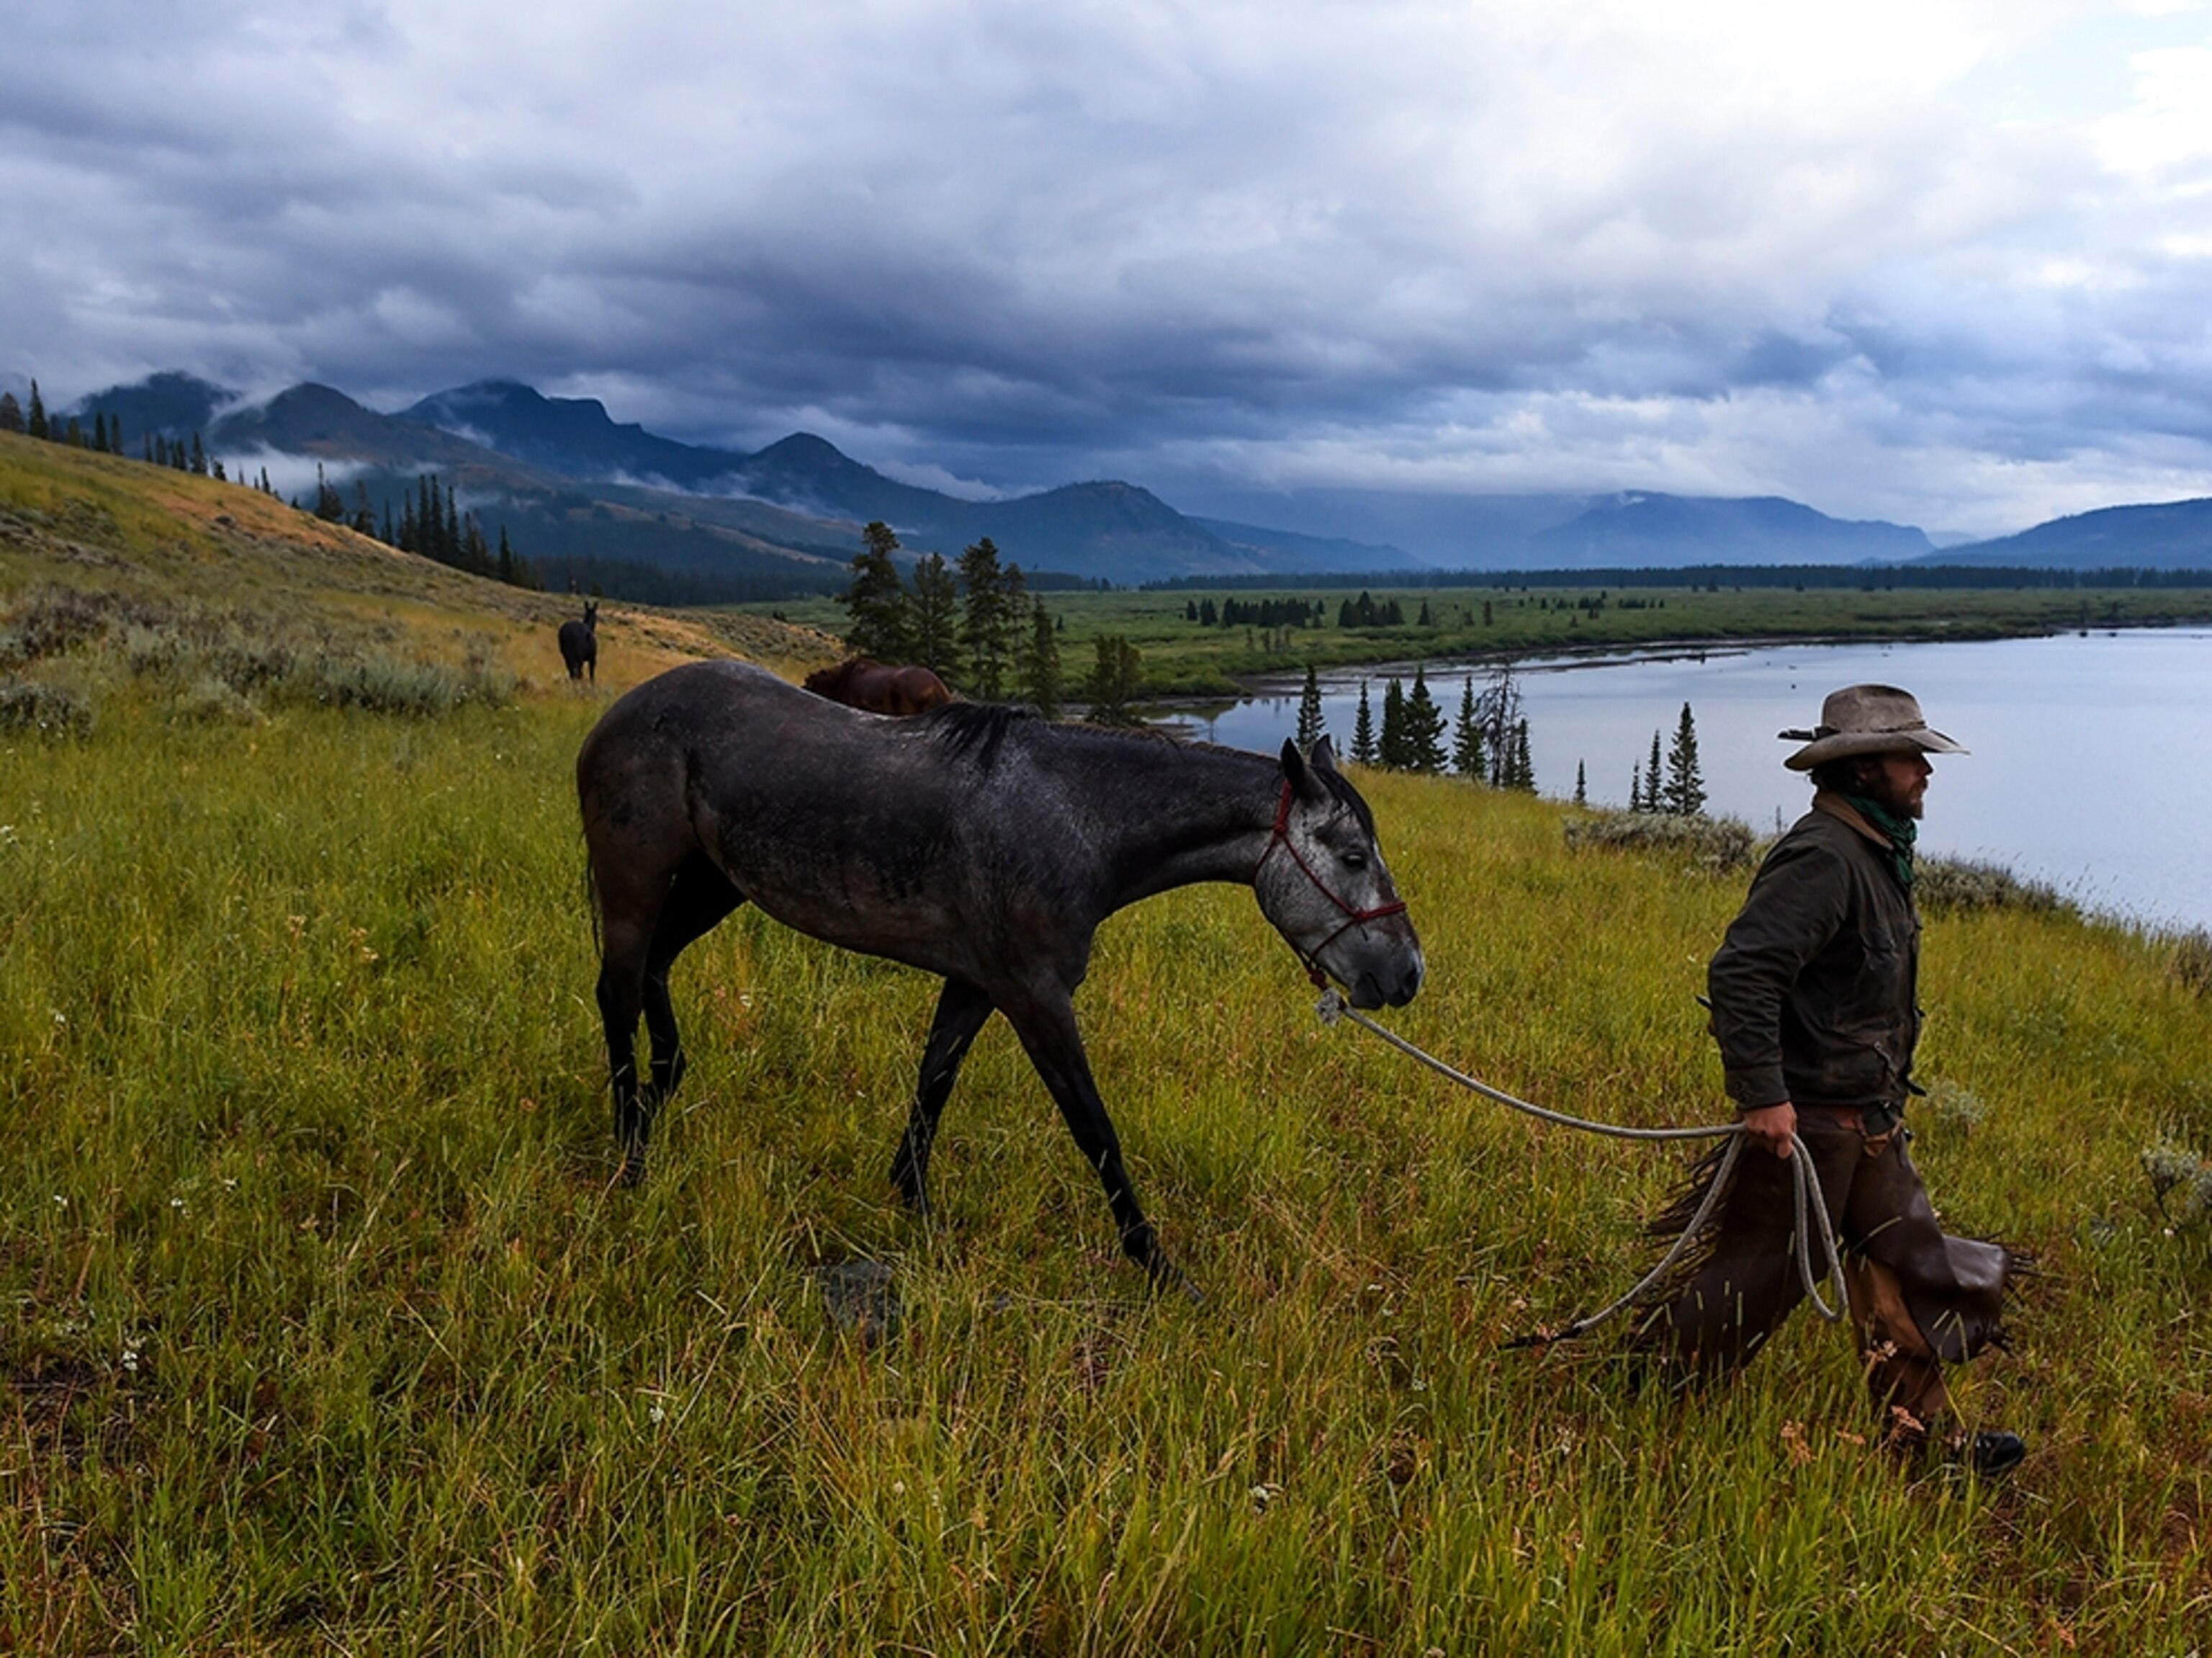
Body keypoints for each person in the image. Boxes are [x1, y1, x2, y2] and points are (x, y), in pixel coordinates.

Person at [1631, 684, 2025, 1477]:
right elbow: (1744, 972)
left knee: (1911, 1267)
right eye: (1910, 756)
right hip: (1808, 1127)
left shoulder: (1873, 852)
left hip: (1867, 1121)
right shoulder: (1824, 856)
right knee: (1758, 1278)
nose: (1924, 770)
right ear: (1863, 770)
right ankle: (1637, 1400)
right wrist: (1763, 1095)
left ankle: (1923, 1442)